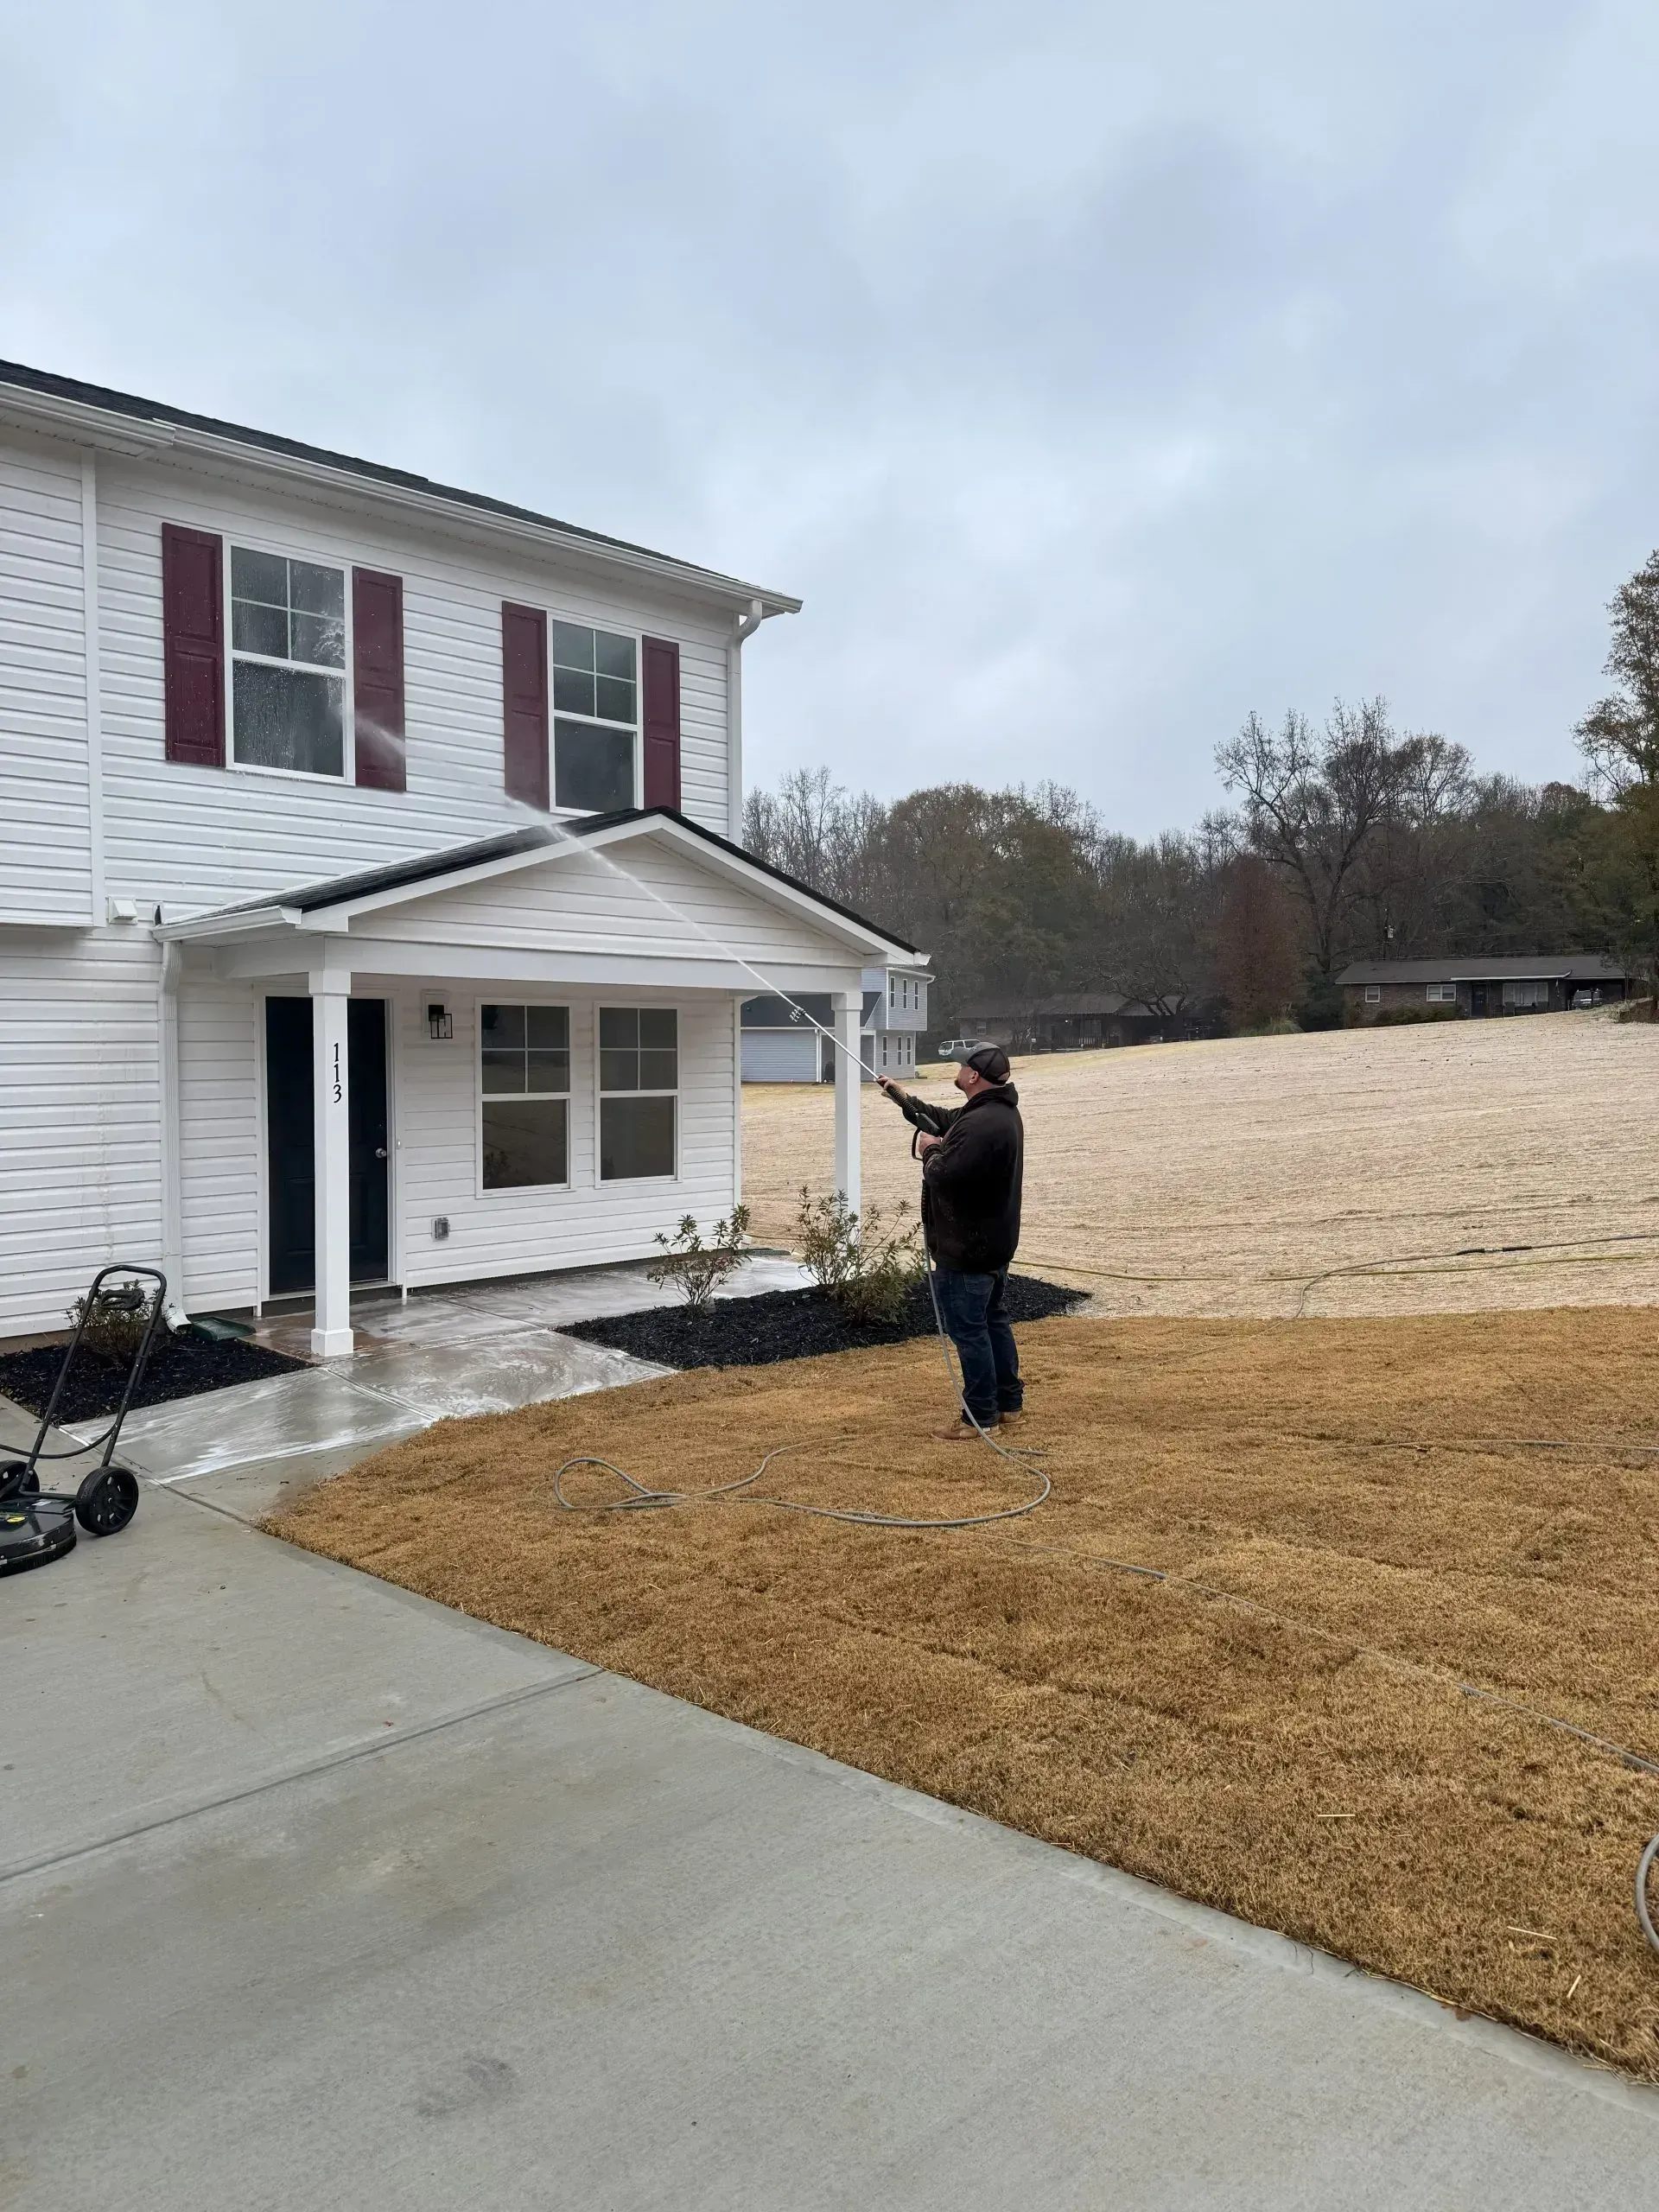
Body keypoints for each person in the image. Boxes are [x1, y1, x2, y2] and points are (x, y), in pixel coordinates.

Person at [877, 1045, 1025, 1440]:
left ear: (974, 1076)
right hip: (992, 1244)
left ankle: (979, 1417)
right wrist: (900, 1097)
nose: (958, 1068)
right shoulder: (993, 1112)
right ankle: (1009, 1406)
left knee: (970, 1332)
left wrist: (930, 1151)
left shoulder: (982, 1124)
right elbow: (943, 1120)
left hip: (968, 1249)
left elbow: (945, 1175)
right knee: (994, 1322)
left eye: (962, 1065)